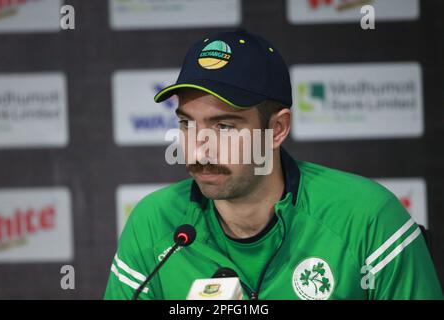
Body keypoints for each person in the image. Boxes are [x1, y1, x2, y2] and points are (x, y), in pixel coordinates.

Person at [104, 29, 443, 300]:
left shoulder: (367, 217)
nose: (199, 148)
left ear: (277, 129)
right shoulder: (153, 224)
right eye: (187, 124)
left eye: (224, 127)